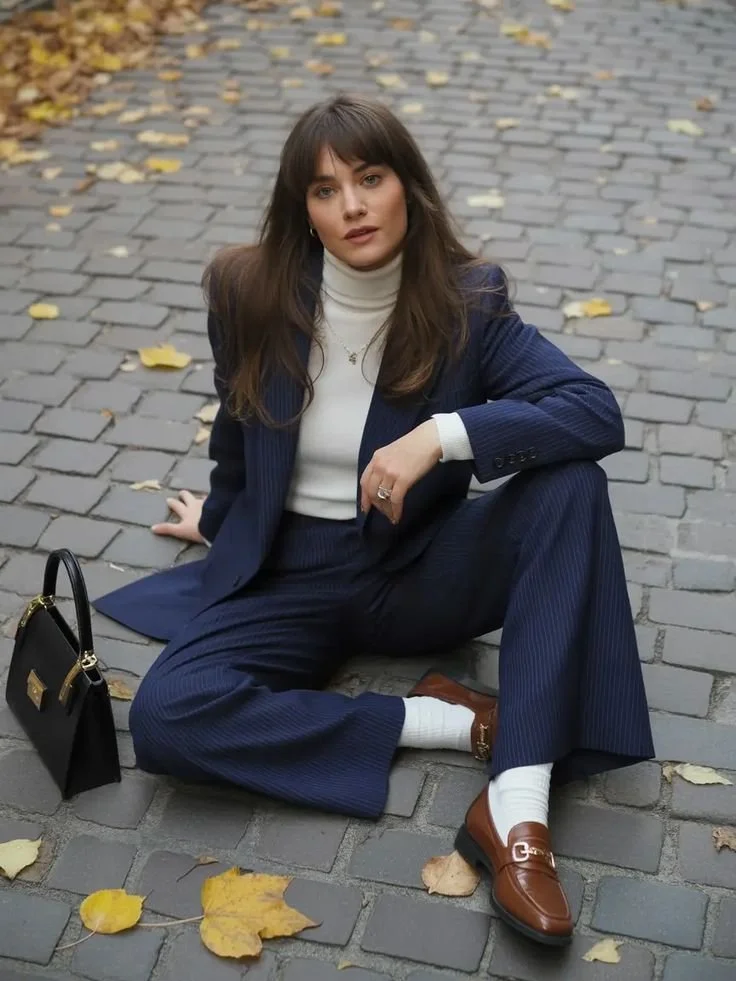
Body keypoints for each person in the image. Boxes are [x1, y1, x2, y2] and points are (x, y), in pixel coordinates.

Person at [93, 94, 654, 947]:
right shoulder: (246, 290)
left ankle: (519, 809)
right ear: (303, 209)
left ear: (407, 188)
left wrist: (443, 434)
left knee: (572, 482)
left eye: (369, 178)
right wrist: (224, 517)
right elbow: (237, 427)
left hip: (413, 568)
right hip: (284, 577)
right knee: (167, 716)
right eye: (325, 191)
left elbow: (594, 411)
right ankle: (453, 718)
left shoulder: (469, 302)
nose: (351, 206)